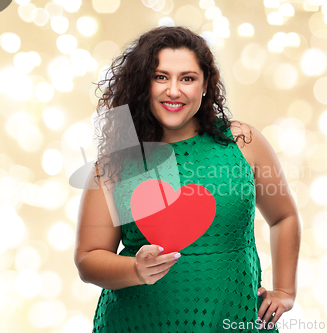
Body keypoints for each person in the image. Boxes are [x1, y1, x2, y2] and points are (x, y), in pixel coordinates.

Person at [74, 26, 301, 332]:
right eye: (160, 77)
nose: (174, 90)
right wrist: (136, 269)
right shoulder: (120, 156)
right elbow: (88, 257)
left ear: (206, 85)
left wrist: (285, 291)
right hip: (137, 323)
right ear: (144, 83)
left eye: (188, 78)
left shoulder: (241, 141)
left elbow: (284, 217)